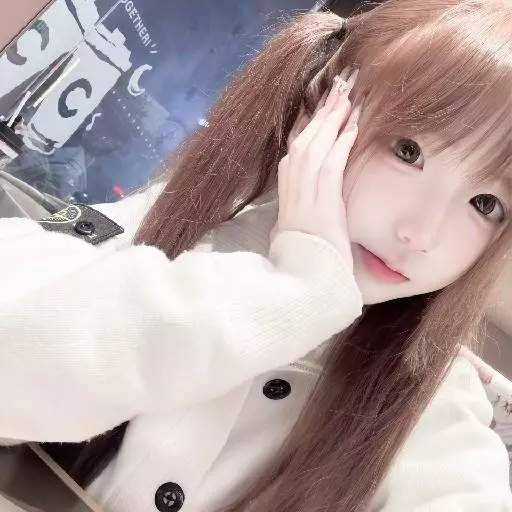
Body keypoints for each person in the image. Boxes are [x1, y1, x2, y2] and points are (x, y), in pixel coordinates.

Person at [1, 1, 511, 511]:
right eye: (408, 151)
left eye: (486, 204)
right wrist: (296, 291)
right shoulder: (165, 225)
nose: (421, 234)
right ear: (320, 108)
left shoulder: (435, 410)